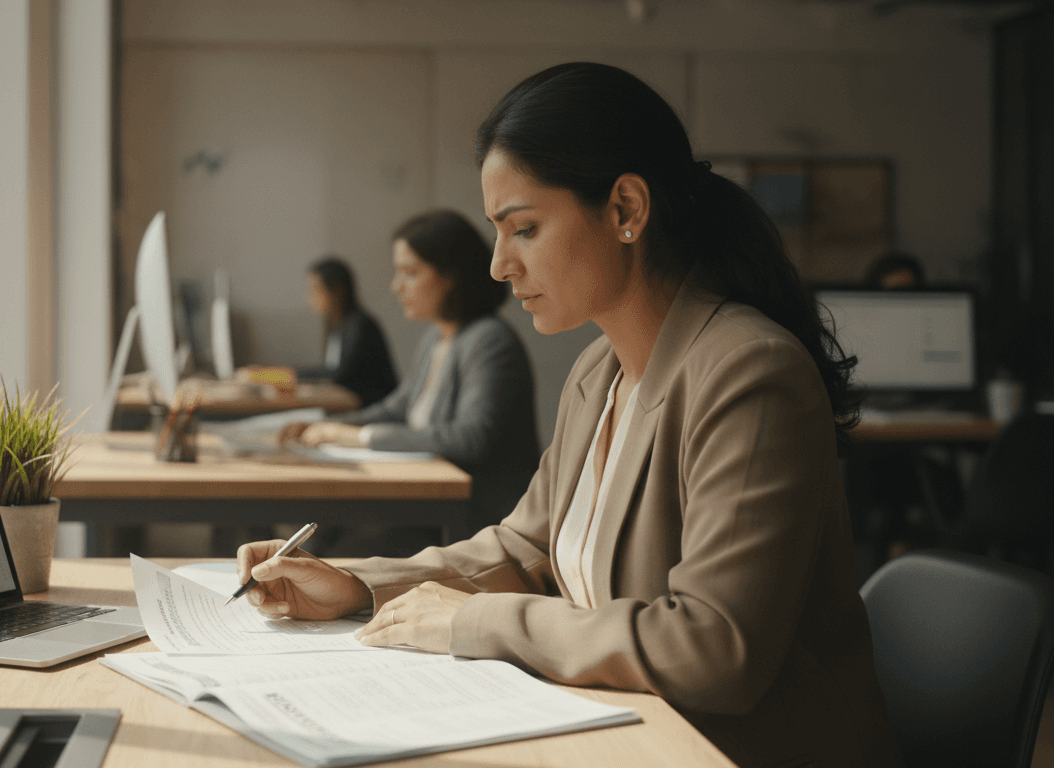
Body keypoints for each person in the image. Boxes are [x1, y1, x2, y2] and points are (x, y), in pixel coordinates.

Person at [245, 62, 900, 768]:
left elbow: (713, 646)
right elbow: (524, 550)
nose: (499, 265)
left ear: (625, 210)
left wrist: (475, 621)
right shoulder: (599, 370)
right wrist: (358, 586)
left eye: (522, 229)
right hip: (627, 734)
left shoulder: (748, 372)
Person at [282, 209, 541, 540]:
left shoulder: (489, 340)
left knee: (335, 541)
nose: (396, 286)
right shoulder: (436, 337)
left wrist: (359, 437)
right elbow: (399, 408)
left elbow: (473, 437)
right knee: (323, 530)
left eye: (410, 272)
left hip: (475, 519)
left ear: (452, 276)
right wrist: (329, 426)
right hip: (429, 503)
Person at [296, 256, 398, 408]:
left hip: (372, 409)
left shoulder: (360, 325)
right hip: (347, 405)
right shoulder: (336, 326)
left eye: (315, 289)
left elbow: (338, 374)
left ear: (338, 290)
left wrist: (280, 375)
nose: (310, 298)